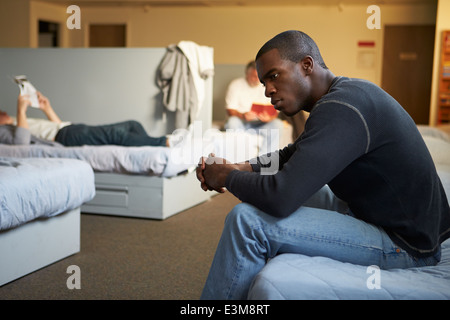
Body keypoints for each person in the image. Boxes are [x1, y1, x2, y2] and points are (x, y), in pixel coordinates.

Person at [196, 30, 450, 299]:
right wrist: (242, 167)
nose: (268, 90)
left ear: (306, 65)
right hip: (394, 221)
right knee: (288, 191)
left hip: (407, 246)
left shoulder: (342, 108)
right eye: (263, 82)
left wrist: (226, 177)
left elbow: (281, 196)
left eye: (274, 76)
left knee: (246, 221)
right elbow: (290, 154)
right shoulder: (344, 94)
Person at [0, 92, 172, 147]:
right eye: (1, 114)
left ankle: (147, 147)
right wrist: (20, 110)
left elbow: (54, 126)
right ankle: (164, 142)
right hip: (64, 137)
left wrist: (47, 108)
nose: (4, 113)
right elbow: (21, 144)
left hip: (68, 128)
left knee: (132, 125)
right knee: (115, 135)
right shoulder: (6, 131)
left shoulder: (14, 121)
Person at [224, 61, 284, 154]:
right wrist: (243, 115)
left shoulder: (267, 86)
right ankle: (238, 158)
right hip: (242, 122)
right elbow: (230, 110)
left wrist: (269, 118)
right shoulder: (236, 85)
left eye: (258, 76)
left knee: (278, 124)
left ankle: (265, 161)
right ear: (246, 74)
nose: (256, 79)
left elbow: (275, 112)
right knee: (232, 122)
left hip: (261, 124)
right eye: (253, 76)